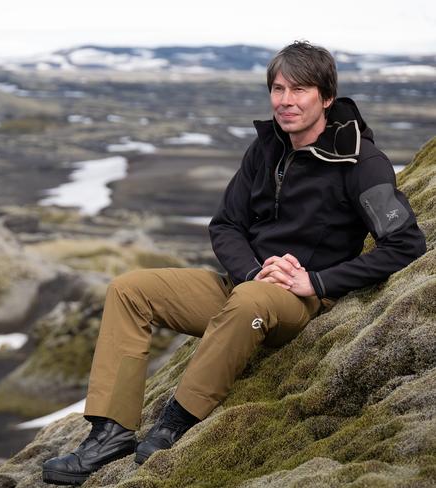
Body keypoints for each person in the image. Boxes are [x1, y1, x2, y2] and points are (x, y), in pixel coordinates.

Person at [42, 41, 426, 486]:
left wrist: (316, 281)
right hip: (245, 283)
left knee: (247, 303)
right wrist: (250, 272)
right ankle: (111, 432)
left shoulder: (361, 160)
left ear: (325, 97)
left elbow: (405, 244)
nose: (285, 101)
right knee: (130, 290)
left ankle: (177, 421)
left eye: (300, 90)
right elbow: (225, 224)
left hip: (299, 302)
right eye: (278, 88)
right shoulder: (266, 148)